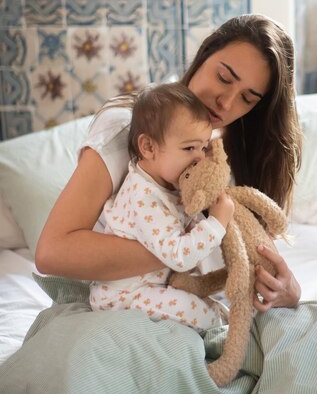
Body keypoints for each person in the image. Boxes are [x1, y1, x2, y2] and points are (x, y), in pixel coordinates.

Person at [36, 14, 303, 312]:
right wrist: (186, 247)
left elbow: (255, 257)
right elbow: (52, 252)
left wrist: (288, 291)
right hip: (127, 305)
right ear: (203, 55)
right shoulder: (129, 128)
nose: (226, 103)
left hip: (218, 313)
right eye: (224, 78)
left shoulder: (243, 147)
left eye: (248, 98)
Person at [89, 83, 233, 332]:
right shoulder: (143, 196)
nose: (199, 158)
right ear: (148, 147)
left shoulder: (167, 183)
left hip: (154, 285)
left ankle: (225, 320)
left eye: (203, 147)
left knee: (207, 303)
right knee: (203, 315)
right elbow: (177, 255)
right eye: (189, 148)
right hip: (122, 295)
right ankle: (223, 329)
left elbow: (184, 226)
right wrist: (216, 224)